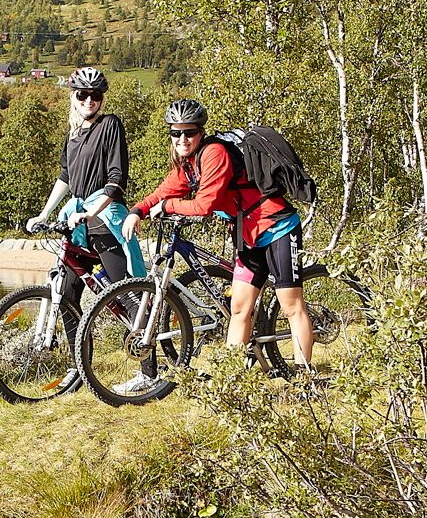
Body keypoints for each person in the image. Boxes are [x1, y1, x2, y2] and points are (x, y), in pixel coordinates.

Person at [124, 98, 313, 392]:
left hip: (276, 226)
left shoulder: (214, 154)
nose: (183, 139)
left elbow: (203, 205)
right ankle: (233, 382)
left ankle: (305, 379)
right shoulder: (188, 164)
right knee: (239, 309)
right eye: (176, 133)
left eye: (190, 132)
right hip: (248, 234)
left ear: (201, 132)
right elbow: (165, 190)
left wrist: (169, 206)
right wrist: (138, 210)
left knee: (291, 304)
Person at [26, 66, 143, 302]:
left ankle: (145, 334)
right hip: (78, 222)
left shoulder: (110, 125)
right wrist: (44, 215)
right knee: (66, 294)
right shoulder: (72, 135)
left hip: (104, 219)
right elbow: (65, 176)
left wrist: (91, 212)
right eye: (82, 95)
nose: (89, 100)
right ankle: (79, 341)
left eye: (96, 95)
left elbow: (117, 177)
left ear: (102, 99)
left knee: (126, 295)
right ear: (73, 96)